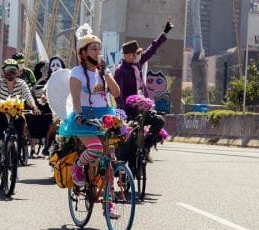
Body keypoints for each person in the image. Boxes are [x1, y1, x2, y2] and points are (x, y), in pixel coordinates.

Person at [58, 29, 120, 188]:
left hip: (105, 116)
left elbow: (116, 92)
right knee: (96, 148)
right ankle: (77, 167)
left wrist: (105, 72)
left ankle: (109, 200)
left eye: (99, 48)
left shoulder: (103, 71)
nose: (98, 52)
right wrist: (79, 115)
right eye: (93, 48)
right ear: (83, 53)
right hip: (84, 118)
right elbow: (76, 98)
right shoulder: (77, 72)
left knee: (109, 159)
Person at [114, 17, 173, 150]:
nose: (135, 56)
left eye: (135, 54)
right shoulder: (120, 71)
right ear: (126, 55)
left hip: (143, 108)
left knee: (159, 121)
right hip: (128, 110)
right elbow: (118, 94)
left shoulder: (138, 63)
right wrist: (123, 112)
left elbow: (152, 49)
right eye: (132, 54)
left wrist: (165, 32)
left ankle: (146, 146)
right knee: (128, 140)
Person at [0, 58, 41, 171]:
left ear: (18, 72)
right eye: (8, 70)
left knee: (20, 130)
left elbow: (28, 96)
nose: (10, 73)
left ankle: (15, 163)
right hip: (1, 111)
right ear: (3, 71)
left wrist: (34, 107)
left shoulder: (21, 83)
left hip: (17, 112)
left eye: (13, 70)